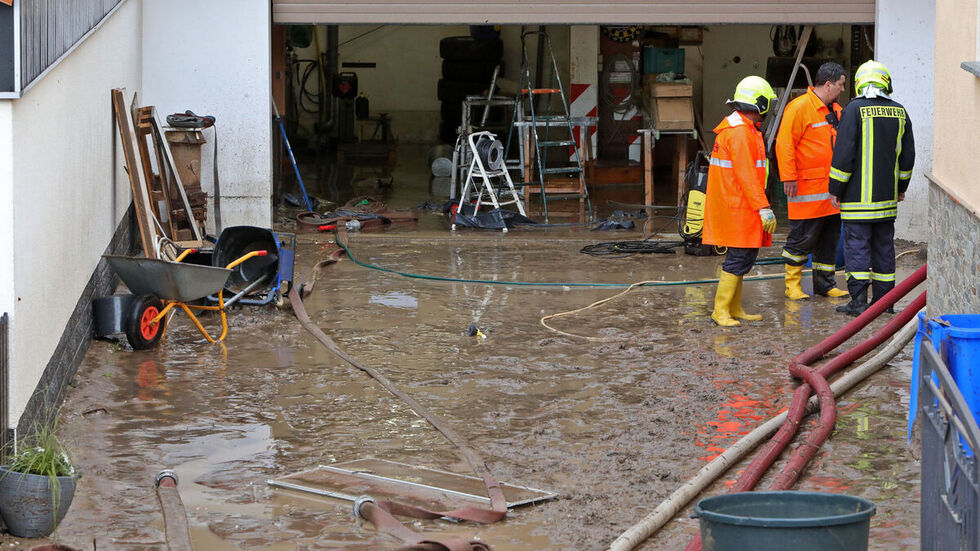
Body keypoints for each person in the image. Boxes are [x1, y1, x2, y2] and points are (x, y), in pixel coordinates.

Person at [828, 60, 915, 316]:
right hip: (887, 202)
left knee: (857, 250)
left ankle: (858, 303)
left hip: (857, 202)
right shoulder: (900, 112)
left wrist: (835, 188)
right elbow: (907, 157)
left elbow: (844, 155)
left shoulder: (853, 110)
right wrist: (901, 187)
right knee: (884, 251)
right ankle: (885, 303)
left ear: (859, 83)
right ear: (886, 82)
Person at [703, 76, 778, 327]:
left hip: (739, 205)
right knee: (738, 258)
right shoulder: (741, 133)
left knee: (743, 257)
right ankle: (721, 310)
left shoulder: (741, 129)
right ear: (760, 103)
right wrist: (763, 207)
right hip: (739, 206)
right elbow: (747, 176)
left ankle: (733, 307)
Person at [775, 62, 850, 301]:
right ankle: (792, 285)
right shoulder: (799, 108)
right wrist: (788, 176)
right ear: (828, 84)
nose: (842, 89)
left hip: (831, 193)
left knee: (828, 241)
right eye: (840, 85)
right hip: (807, 191)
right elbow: (784, 144)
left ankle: (825, 285)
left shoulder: (836, 111)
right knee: (801, 239)